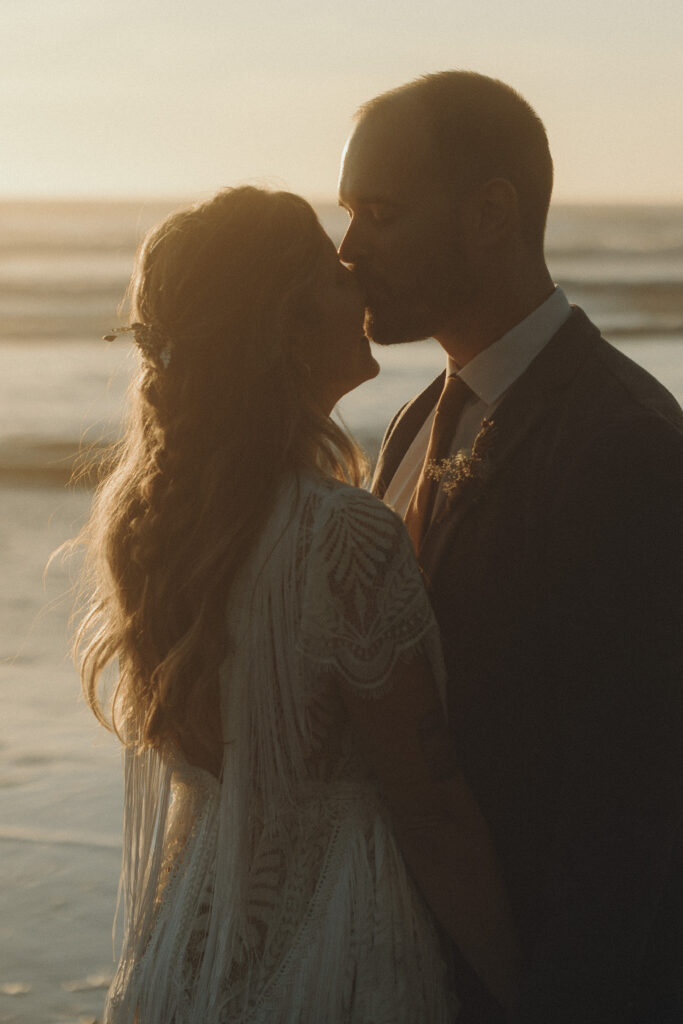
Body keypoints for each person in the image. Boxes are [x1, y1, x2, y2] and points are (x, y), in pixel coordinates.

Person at [74, 185, 518, 1023]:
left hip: (195, 944)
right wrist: (528, 989)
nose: (356, 277)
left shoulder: (157, 527)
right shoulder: (342, 535)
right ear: (283, 326)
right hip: (334, 949)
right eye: (328, 272)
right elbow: (430, 809)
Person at [337, 70, 683, 1023]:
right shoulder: (413, 419)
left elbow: (629, 816)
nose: (347, 249)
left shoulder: (626, 446)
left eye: (379, 212)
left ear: (490, 212)